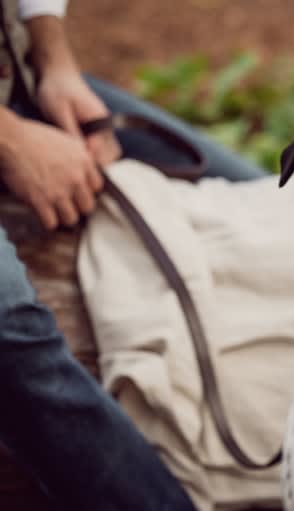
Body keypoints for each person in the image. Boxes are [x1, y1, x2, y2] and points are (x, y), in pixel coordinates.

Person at [0, 0, 266, 508]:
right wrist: (11, 142)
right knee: (7, 319)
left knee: (257, 194)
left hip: (18, 82)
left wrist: (53, 61)